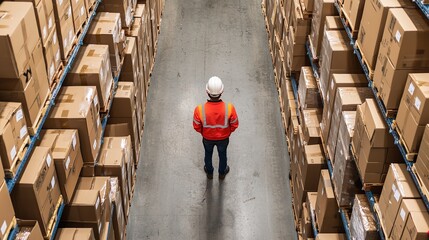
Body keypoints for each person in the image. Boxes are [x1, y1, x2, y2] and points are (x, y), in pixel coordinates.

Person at [193, 76, 239, 180]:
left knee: (208, 154)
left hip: (207, 138)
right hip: (223, 138)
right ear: (222, 92)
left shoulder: (199, 109)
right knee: (222, 155)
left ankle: (209, 172)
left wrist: (204, 133)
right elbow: (235, 124)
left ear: (207, 92)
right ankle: (222, 173)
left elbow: (196, 126)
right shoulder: (229, 108)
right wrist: (227, 132)